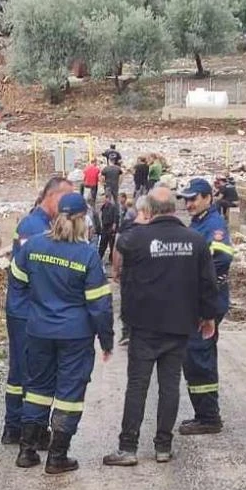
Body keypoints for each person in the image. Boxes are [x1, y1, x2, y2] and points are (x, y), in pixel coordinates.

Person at [103, 187, 219, 467]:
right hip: (179, 325)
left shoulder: (137, 239)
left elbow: (119, 248)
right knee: (170, 386)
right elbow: (208, 284)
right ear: (173, 209)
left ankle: (128, 447)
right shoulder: (195, 240)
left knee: (138, 386)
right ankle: (163, 447)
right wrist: (208, 317)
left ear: (151, 210)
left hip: (143, 326)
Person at [9, 193, 114, 474]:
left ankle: (26, 451)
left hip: (38, 330)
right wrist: (106, 340)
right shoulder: (87, 255)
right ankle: (57, 457)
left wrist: (31, 311)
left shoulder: (33, 246)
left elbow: (17, 281)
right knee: (69, 393)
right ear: (83, 220)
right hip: (75, 336)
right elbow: (100, 305)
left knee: (37, 390)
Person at [2, 177, 74, 446]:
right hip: (26, 311)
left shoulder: (43, 224)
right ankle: (20, 427)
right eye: (65, 202)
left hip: (31, 310)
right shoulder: (34, 226)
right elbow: (38, 273)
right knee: (26, 372)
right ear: (52, 197)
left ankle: (18, 427)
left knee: (27, 371)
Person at [176, 178, 234, 435]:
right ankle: (204, 414)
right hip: (199, 299)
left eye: (193, 199)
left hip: (206, 300)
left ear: (207, 198)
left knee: (199, 355)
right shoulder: (200, 222)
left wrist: (194, 278)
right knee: (195, 355)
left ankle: (209, 417)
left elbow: (221, 259)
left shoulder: (213, 224)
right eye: (186, 199)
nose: (188, 203)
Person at [112, 195, 150, 346]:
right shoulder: (156, 227)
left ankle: (127, 331)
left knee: (127, 300)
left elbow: (117, 248)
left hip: (129, 272)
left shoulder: (127, 226)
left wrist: (115, 269)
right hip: (147, 272)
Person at [98, 192, 119, 262]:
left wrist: (114, 225)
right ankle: (99, 257)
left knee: (112, 245)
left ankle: (112, 259)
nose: (105, 200)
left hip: (110, 227)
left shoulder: (113, 207)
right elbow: (101, 216)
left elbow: (116, 217)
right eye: (104, 199)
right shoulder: (103, 207)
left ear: (109, 199)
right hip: (104, 227)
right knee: (102, 244)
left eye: (106, 198)